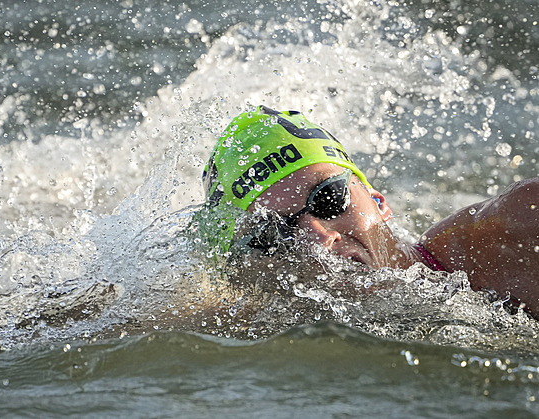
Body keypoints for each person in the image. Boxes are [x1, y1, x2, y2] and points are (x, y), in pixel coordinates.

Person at [202, 106, 539, 318]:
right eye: (274, 235)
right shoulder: (251, 318)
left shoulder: (510, 235)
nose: (319, 240)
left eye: (328, 199)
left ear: (377, 199)